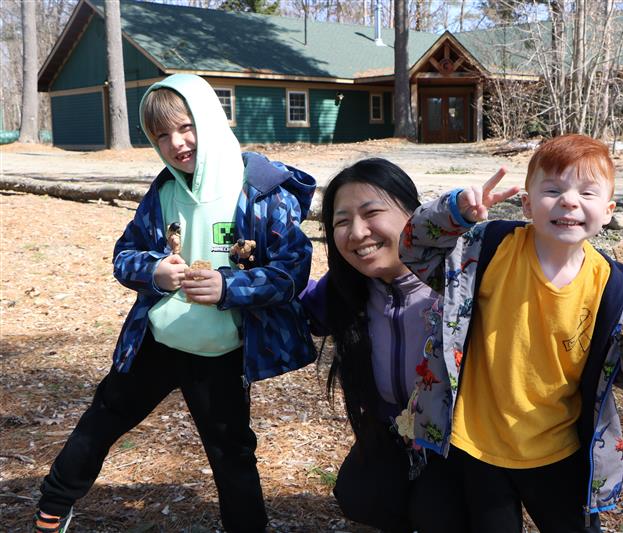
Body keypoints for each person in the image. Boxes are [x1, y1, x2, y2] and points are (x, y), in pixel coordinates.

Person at [33, 74, 316, 533]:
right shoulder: (164, 192)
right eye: (161, 135)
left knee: (231, 451)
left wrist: (230, 288)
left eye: (186, 127)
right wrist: (154, 271)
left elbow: (291, 271)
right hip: (159, 340)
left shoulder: (262, 191)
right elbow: (125, 255)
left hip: (221, 352)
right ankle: (54, 503)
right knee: (104, 416)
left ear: (211, 121)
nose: (176, 143)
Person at [399, 134, 623, 532]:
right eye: (553, 190)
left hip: (561, 448)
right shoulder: (489, 248)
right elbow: (415, 249)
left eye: (587, 192)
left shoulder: (615, 286)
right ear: (527, 204)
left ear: (608, 211)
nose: (569, 201)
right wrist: (454, 212)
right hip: (478, 444)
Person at [300, 158, 465, 533]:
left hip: (460, 442)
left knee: (438, 513)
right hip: (394, 433)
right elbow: (298, 309)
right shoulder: (345, 289)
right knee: (360, 494)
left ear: (414, 213)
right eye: (342, 221)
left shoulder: (456, 283)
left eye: (372, 213)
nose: (358, 233)